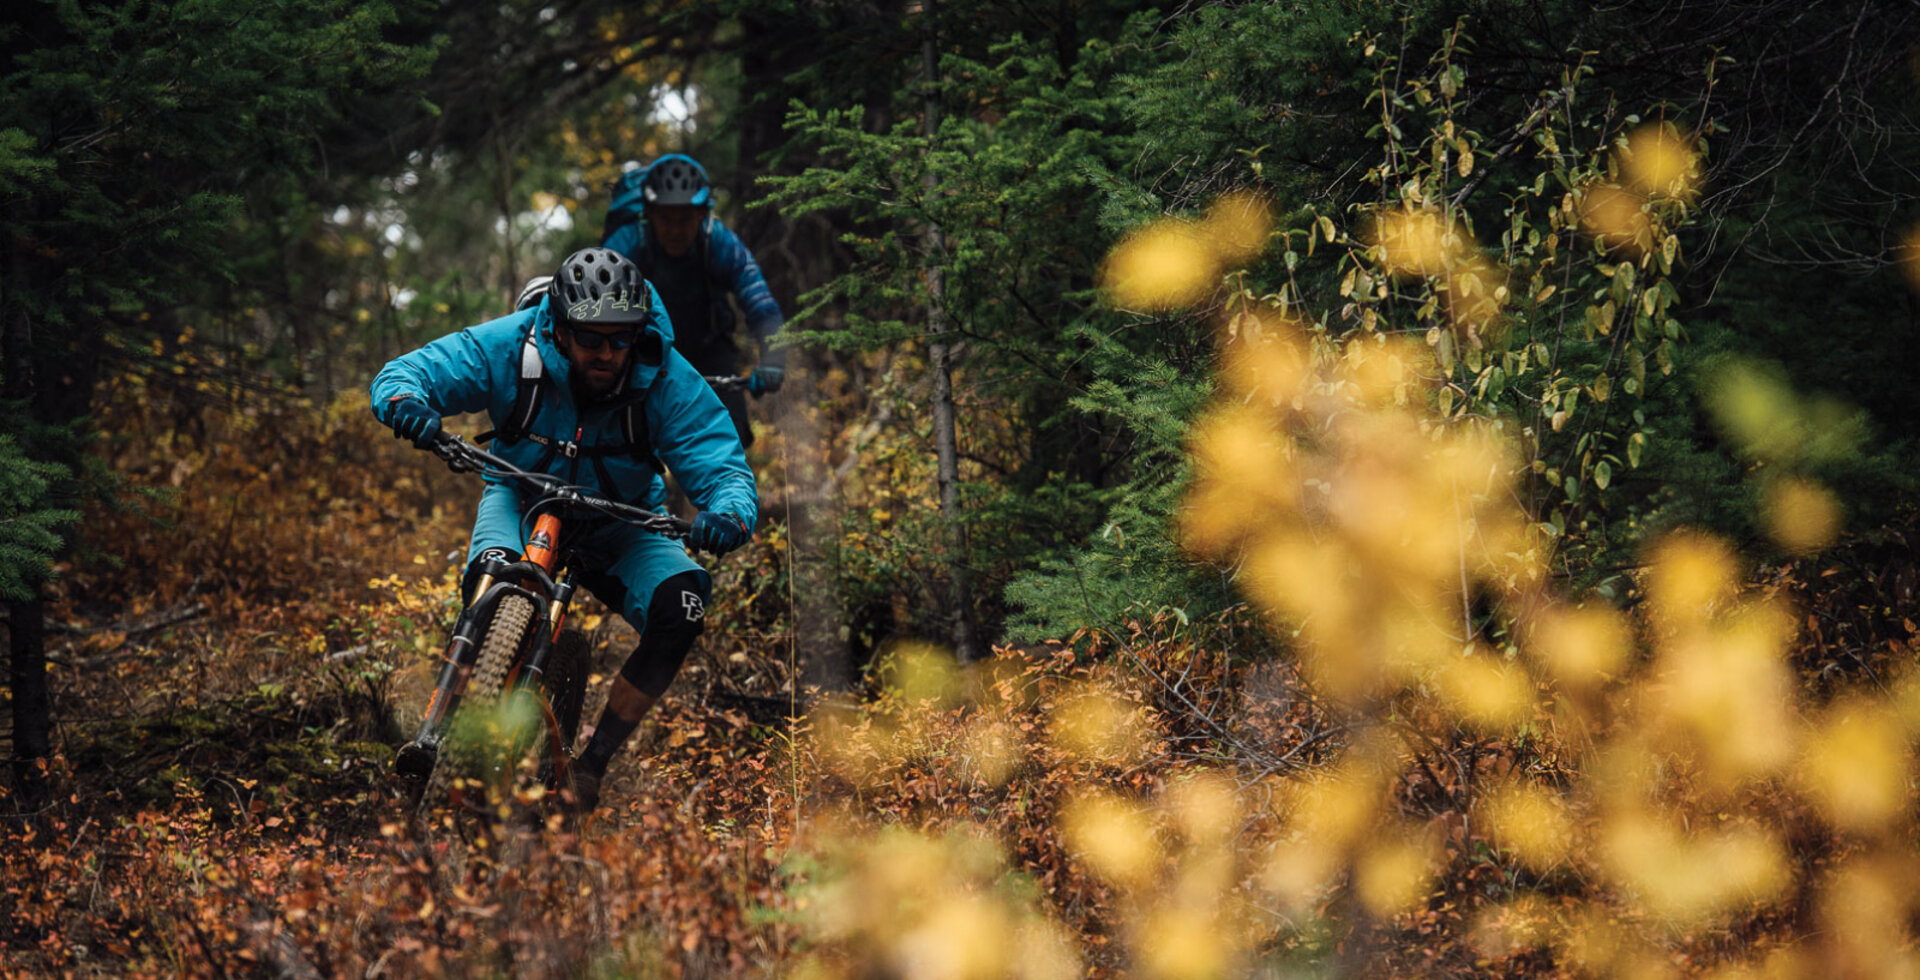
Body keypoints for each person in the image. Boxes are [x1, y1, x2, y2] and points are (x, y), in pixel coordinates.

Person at [372, 246, 757, 812]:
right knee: (487, 582)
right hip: (521, 493)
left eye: (620, 339)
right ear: (557, 328)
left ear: (639, 329)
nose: (606, 353)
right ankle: (440, 731)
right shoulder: (513, 344)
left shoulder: (664, 372)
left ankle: (592, 765)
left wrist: (726, 513)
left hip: (620, 517)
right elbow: (409, 372)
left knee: (683, 606)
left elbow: (719, 460)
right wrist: (406, 402)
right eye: (590, 338)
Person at [602, 154, 787, 447]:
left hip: (710, 350)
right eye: (665, 219)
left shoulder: (720, 242)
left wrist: (773, 360)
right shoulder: (626, 244)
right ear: (649, 214)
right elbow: (596, 305)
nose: (675, 230)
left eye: (685, 219)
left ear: (702, 215)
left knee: (731, 438)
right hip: (644, 353)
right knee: (627, 445)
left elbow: (760, 303)